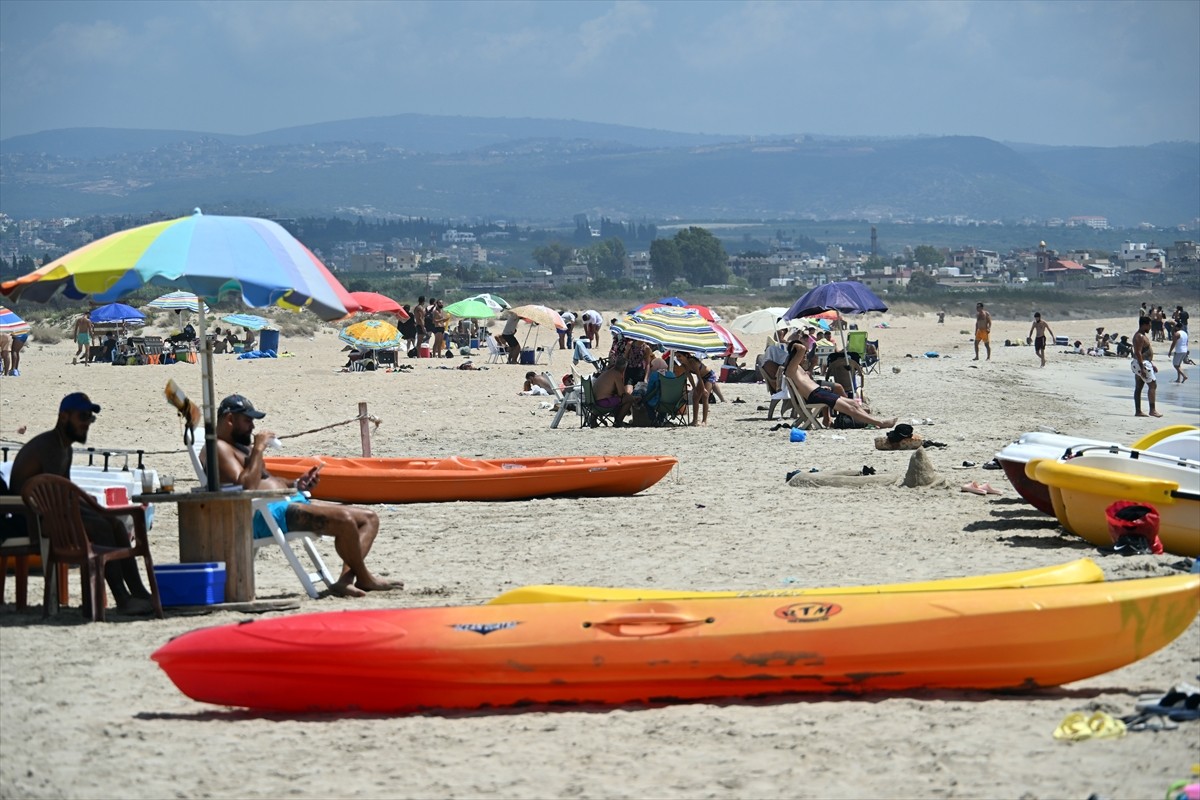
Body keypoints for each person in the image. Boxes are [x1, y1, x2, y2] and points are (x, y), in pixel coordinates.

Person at [207, 394, 399, 597]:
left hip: (282, 505)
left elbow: (265, 480)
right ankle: (365, 577)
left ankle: (346, 580)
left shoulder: (239, 447)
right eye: (247, 420)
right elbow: (247, 487)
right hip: (264, 514)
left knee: (369, 518)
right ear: (230, 419)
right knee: (345, 520)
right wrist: (259, 449)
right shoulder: (218, 448)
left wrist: (297, 483)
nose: (252, 427)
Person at [4, 393, 155, 614]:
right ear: (64, 416)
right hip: (31, 520)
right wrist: (95, 513)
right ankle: (122, 599)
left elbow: (66, 494)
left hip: (51, 513)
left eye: (90, 419)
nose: (87, 424)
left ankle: (139, 591)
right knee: (103, 526)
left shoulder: (65, 448)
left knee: (117, 525)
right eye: (82, 417)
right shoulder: (49, 447)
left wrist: (99, 511)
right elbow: (57, 498)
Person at [785, 336, 896, 429]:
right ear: (795, 354)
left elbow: (806, 380)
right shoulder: (791, 369)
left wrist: (812, 365)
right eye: (803, 355)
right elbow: (801, 348)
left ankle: (873, 421)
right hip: (816, 395)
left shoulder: (797, 369)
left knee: (853, 403)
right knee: (850, 408)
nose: (805, 357)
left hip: (819, 392)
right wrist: (795, 345)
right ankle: (880, 423)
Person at [590, 357, 637, 426]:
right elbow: (622, 394)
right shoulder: (616, 374)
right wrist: (634, 398)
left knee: (618, 399)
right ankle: (618, 421)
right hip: (603, 403)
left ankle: (593, 419)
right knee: (629, 399)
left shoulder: (608, 372)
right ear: (624, 368)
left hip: (594, 402)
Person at [676, 352, 718, 426]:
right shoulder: (684, 365)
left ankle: (704, 421)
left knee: (705, 396)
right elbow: (690, 377)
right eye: (677, 357)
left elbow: (698, 375)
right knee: (695, 398)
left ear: (686, 356)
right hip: (701, 378)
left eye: (679, 356)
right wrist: (694, 388)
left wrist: (703, 389)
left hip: (709, 376)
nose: (678, 358)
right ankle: (695, 420)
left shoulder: (692, 361)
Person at [1131, 316, 1162, 417]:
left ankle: (1138, 411)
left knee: (1139, 387)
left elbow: (1144, 352)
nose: (1150, 327)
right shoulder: (1139, 336)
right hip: (1142, 363)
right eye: (1149, 325)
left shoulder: (1142, 335)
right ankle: (1152, 410)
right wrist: (1142, 368)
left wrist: (1152, 364)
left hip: (1143, 363)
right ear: (1144, 325)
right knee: (1153, 385)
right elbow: (1138, 353)